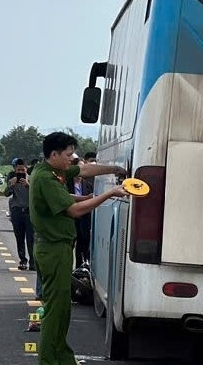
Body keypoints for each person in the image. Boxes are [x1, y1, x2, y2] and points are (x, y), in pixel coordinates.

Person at [31, 132, 128, 365]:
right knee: (55, 312)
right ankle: (49, 360)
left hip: (57, 249)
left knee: (62, 309)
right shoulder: (45, 178)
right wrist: (108, 194)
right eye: (67, 154)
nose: (71, 159)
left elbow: (84, 171)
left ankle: (62, 357)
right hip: (53, 250)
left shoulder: (53, 172)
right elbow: (74, 211)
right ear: (53, 154)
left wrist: (115, 170)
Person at [5, 159, 34, 271]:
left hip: (29, 212)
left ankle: (33, 261)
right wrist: (11, 185)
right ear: (15, 170)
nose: (20, 172)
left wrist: (28, 185)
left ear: (26, 169)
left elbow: (37, 194)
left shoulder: (31, 180)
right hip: (17, 212)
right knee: (19, 237)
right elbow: (7, 193)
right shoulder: (13, 180)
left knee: (31, 238)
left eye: (22, 169)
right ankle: (22, 260)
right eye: (18, 170)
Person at [73, 152, 97, 268]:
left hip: (84, 219)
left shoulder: (87, 184)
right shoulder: (64, 183)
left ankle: (80, 267)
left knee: (83, 244)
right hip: (70, 218)